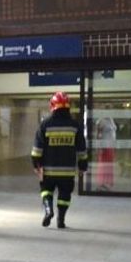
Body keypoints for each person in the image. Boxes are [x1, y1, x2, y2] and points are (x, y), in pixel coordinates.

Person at [32, 91, 88, 228]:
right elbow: (82, 149)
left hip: (48, 170)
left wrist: (36, 164)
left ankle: (48, 210)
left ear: (52, 105)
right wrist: (82, 166)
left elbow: (37, 149)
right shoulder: (75, 125)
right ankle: (60, 220)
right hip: (67, 171)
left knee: (46, 190)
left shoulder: (45, 124)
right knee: (64, 195)